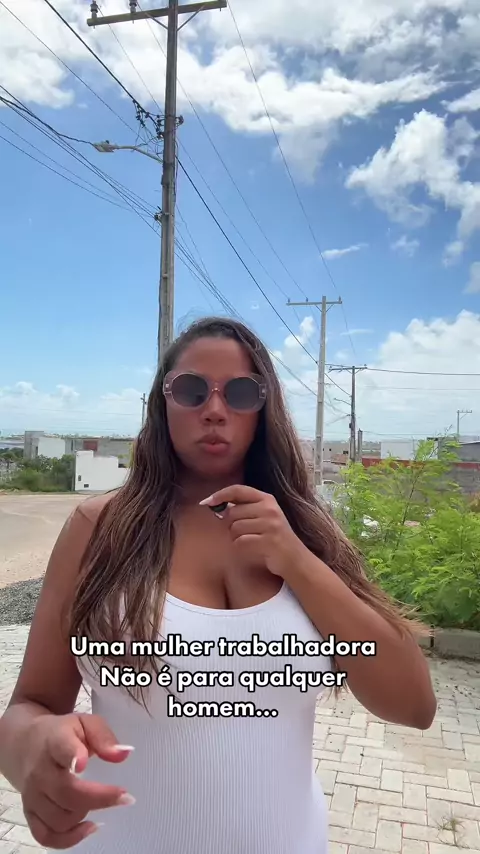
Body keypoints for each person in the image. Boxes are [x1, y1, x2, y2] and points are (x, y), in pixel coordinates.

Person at [0, 317, 436, 853]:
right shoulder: (100, 528)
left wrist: (296, 561)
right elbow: (30, 706)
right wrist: (31, 750)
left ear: (264, 410)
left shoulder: (306, 530)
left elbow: (414, 706)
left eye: (240, 392)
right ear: (161, 404)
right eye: (190, 390)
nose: (213, 409)